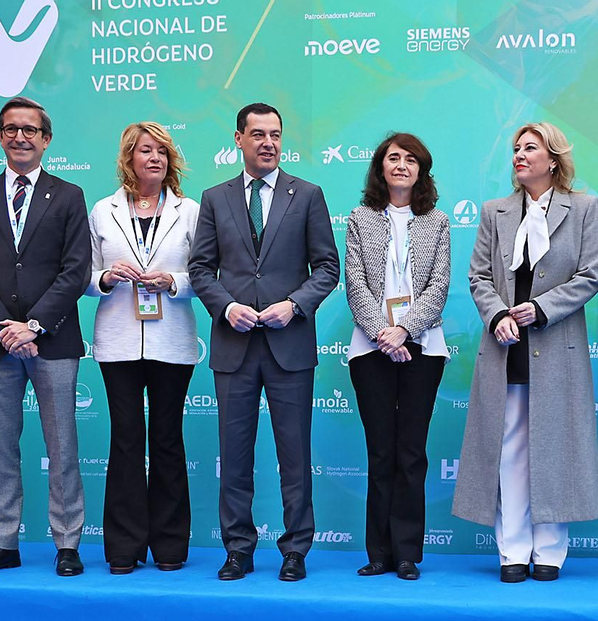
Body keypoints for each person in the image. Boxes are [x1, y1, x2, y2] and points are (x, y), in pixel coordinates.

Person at [189, 102, 339, 583]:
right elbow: (199, 269)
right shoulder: (215, 198)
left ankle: (295, 550)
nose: (269, 143)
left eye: (275, 134)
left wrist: (294, 305)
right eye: (258, 134)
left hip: (289, 344)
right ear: (239, 139)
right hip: (234, 346)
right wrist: (226, 307)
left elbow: (328, 268)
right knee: (234, 456)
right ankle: (238, 548)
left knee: (294, 454)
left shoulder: (308, 194)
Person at [451, 122, 598, 583]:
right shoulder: (494, 211)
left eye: (530, 148)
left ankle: (550, 553)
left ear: (553, 159)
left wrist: (540, 308)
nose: (519, 155)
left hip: (557, 344)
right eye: (516, 149)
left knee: (554, 446)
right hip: (505, 347)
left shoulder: (583, 207)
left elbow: (590, 275)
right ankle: (512, 549)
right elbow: (478, 277)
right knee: (510, 449)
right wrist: (497, 315)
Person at [0, 96, 93, 577]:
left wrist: (33, 325)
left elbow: (76, 270)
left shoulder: (70, 195)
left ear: (46, 139)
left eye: (30, 130)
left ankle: (67, 543)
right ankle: (3, 541)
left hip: (52, 340)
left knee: (63, 447)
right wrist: (6, 329)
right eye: (11, 129)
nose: (21, 137)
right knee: (0, 446)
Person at [86, 122, 200, 574]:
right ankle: (123, 548)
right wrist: (107, 279)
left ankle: (170, 546)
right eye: (145, 150)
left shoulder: (190, 211)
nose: (154, 158)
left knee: (168, 440)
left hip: (172, 340)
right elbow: (84, 277)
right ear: (128, 158)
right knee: (126, 441)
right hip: (117, 342)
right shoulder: (102, 210)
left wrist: (174, 281)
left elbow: (207, 274)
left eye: (162, 152)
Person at [343, 133, 452, 581]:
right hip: (370, 349)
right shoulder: (359, 218)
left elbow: (439, 286)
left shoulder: (439, 221)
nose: (402, 165)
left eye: (411, 159)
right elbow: (355, 284)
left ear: (421, 169)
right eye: (393, 158)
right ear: (380, 167)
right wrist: (383, 334)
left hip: (423, 347)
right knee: (379, 450)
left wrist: (405, 330)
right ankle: (379, 551)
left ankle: (407, 552)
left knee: (411, 451)